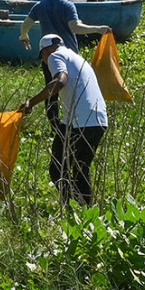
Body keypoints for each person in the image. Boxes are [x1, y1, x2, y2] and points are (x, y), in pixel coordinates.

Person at [17, 35, 108, 208]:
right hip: (99, 120)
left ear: (45, 50)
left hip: (79, 121)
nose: (45, 61)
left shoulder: (55, 55)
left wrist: (31, 102)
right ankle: (86, 211)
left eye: (43, 57)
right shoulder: (78, 58)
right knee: (81, 168)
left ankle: (70, 208)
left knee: (57, 169)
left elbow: (60, 81)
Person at [18, 0, 112, 51]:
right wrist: (98, 29)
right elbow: (75, 28)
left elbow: (26, 24)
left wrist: (24, 36)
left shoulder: (39, 5)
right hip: (68, 52)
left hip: (48, 53)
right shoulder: (68, 5)